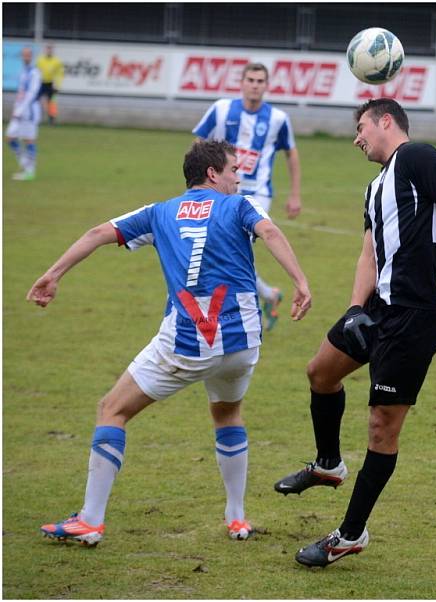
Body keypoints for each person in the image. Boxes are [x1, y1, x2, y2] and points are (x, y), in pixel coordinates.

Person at [30, 140, 312, 546]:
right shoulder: (240, 206)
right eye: (233, 169)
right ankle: (237, 517)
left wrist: (53, 274)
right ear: (213, 173)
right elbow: (268, 230)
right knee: (228, 413)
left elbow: (98, 233)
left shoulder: (160, 212)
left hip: (189, 342)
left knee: (111, 409)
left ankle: (90, 520)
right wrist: (300, 282)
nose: (239, 176)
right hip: (242, 342)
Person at [272, 98, 436, 567]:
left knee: (381, 428)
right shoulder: (375, 187)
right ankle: (329, 464)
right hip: (377, 307)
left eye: (362, 126)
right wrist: (352, 308)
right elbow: (368, 253)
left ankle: (350, 534)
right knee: (321, 372)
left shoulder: (417, 156)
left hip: (416, 314)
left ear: (387, 121)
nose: (356, 137)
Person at [193, 62, 302, 331]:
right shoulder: (221, 110)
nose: (255, 85)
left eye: (260, 80)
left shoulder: (278, 119)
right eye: (250, 80)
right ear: (241, 82)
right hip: (220, 190)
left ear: (266, 85)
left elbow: (292, 154)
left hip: (257, 194)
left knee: (229, 249)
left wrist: (295, 194)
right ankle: (268, 295)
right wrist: (197, 182)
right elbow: (198, 143)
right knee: (226, 251)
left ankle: (235, 313)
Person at [6, 47, 42, 181]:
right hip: (20, 111)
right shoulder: (23, 72)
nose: (25, 57)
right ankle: (25, 164)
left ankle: (30, 172)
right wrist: (16, 109)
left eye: (28, 55)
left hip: (30, 111)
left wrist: (21, 110)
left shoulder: (35, 73)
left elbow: (32, 94)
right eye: (23, 55)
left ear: (31, 57)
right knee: (10, 138)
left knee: (29, 140)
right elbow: (20, 93)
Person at [36, 44, 64, 125]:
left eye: (50, 49)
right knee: (36, 100)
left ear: (53, 50)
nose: (49, 51)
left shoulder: (56, 61)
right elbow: (36, 72)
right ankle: (35, 118)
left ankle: (51, 120)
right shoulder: (40, 60)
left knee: (51, 103)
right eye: (48, 49)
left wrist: (57, 85)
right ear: (45, 50)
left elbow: (59, 74)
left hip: (51, 84)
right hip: (41, 83)